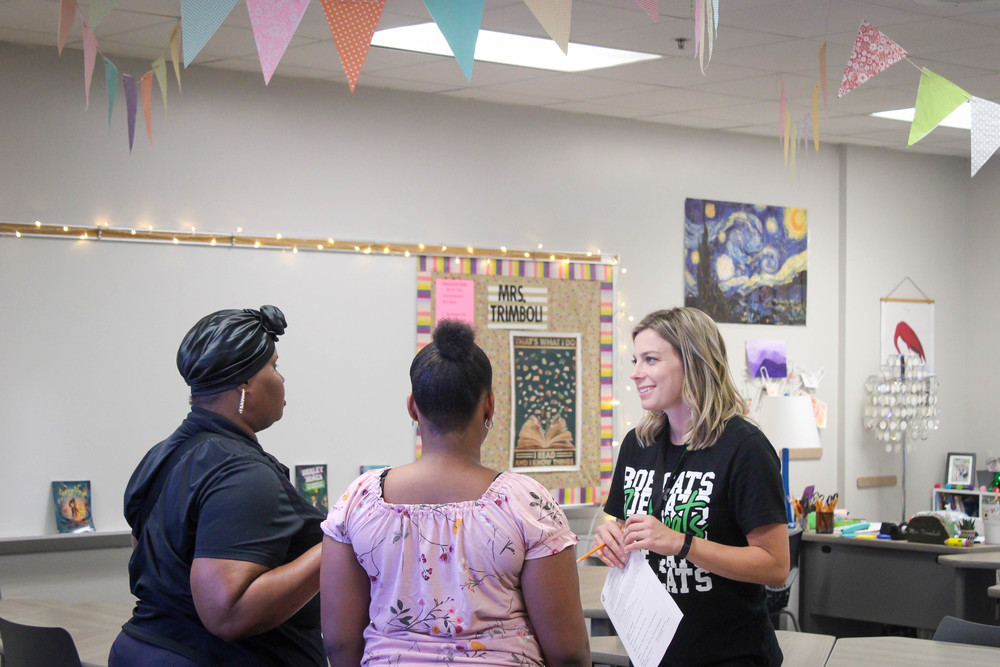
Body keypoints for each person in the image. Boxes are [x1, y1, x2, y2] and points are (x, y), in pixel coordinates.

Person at [320, 320, 590, 666]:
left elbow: (339, 642)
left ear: (412, 407)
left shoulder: (359, 501)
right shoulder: (528, 504)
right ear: (489, 406)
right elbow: (567, 652)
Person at [109, 306, 326, 667]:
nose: (282, 378)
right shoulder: (242, 473)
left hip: (141, 648)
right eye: (274, 366)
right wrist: (337, 543)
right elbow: (227, 613)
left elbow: (150, 562)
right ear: (245, 385)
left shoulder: (162, 456)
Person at [594, 307, 789, 666]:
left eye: (650, 359)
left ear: (694, 362)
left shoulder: (744, 447)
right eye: (636, 360)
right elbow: (622, 526)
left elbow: (775, 566)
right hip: (652, 653)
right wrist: (613, 538)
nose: (635, 373)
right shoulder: (637, 444)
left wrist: (682, 543)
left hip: (729, 655)